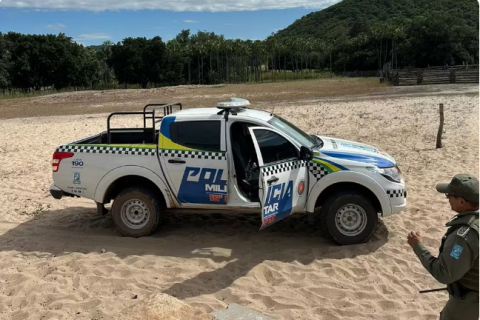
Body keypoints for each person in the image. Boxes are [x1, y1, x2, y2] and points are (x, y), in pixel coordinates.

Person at [407, 173, 479, 320]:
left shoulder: (464, 235)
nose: (447, 198)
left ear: (462, 201)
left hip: (469, 302)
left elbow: (444, 273)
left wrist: (418, 246)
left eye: (449, 195)